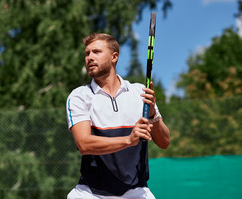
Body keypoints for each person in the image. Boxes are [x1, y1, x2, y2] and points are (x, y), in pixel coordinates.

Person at [66, 33, 170, 199]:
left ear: (114, 57)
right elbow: (84, 144)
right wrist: (128, 140)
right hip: (91, 193)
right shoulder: (79, 96)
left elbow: (164, 142)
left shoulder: (139, 93)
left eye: (96, 52)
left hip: (137, 192)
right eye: (87, 53)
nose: (89, 58)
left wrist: (152, 114)